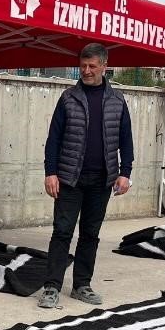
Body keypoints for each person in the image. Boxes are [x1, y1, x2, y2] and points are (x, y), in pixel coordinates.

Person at [37, 43, 133, 309]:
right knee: (62, 232)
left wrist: (125, 172)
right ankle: (51, 287)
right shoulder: (69, 97)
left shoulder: (117, 100)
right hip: (70, 179)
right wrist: (50, 172)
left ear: (104, 66)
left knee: (90, 234)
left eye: (92, 66)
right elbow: (53, 138)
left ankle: (81, 285)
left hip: (102, 180)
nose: (87, 71)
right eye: (83, 66)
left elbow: (126, 139)